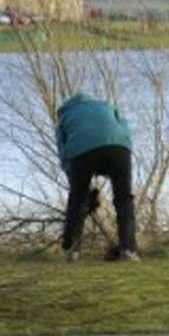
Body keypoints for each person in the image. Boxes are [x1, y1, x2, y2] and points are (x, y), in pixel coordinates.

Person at [56, 92, 137, 262]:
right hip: (119, 146)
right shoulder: (106, 106)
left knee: (77, 199)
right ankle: (129, 251)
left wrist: (74, 178)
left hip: (82, 151)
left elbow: (63, 152)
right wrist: (123, 151)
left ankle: (70, 251)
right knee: (124, 198)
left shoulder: (65, 116)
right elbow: (125, 127)